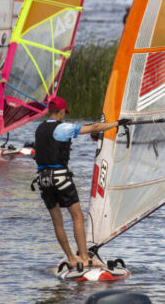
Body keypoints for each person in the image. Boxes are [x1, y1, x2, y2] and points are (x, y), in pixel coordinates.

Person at [34, 98, 121, 272]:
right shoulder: (63, 128)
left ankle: (71, 259)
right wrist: (116, 123)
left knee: (57, 223)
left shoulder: (40, 128)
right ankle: (84, 257)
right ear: (61, 112)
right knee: (77, 217)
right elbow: (95, 128)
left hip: (43, 180)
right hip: (60, 178)